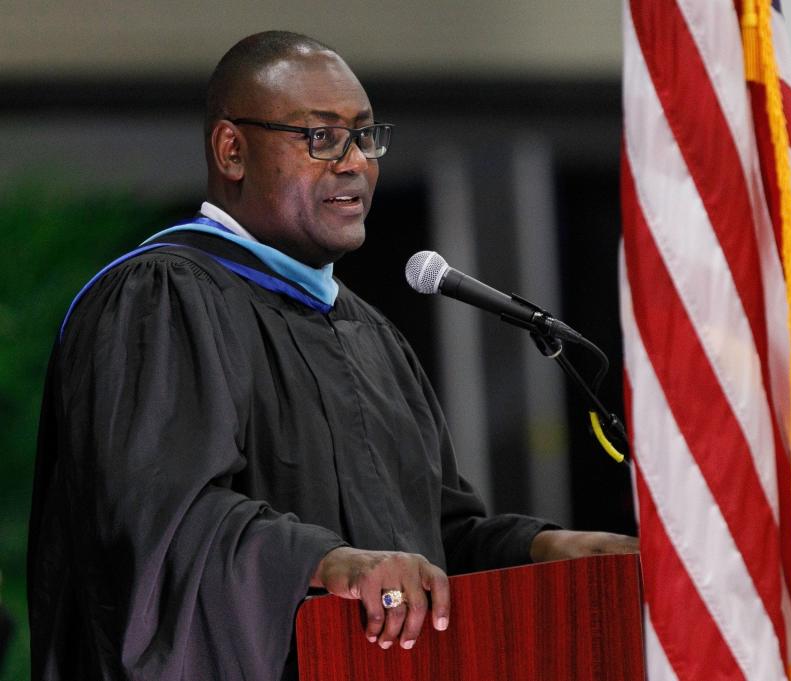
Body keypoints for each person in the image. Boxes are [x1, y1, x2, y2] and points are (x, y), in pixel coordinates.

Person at [28, 31, 636, 681]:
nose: (354, 163)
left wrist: (547, 549)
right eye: (321, 138)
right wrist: (332, 563)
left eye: (365, 136)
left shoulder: (370, 335)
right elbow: (163, 531)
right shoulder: (160, 300)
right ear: (232, 150)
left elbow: (432, 541)